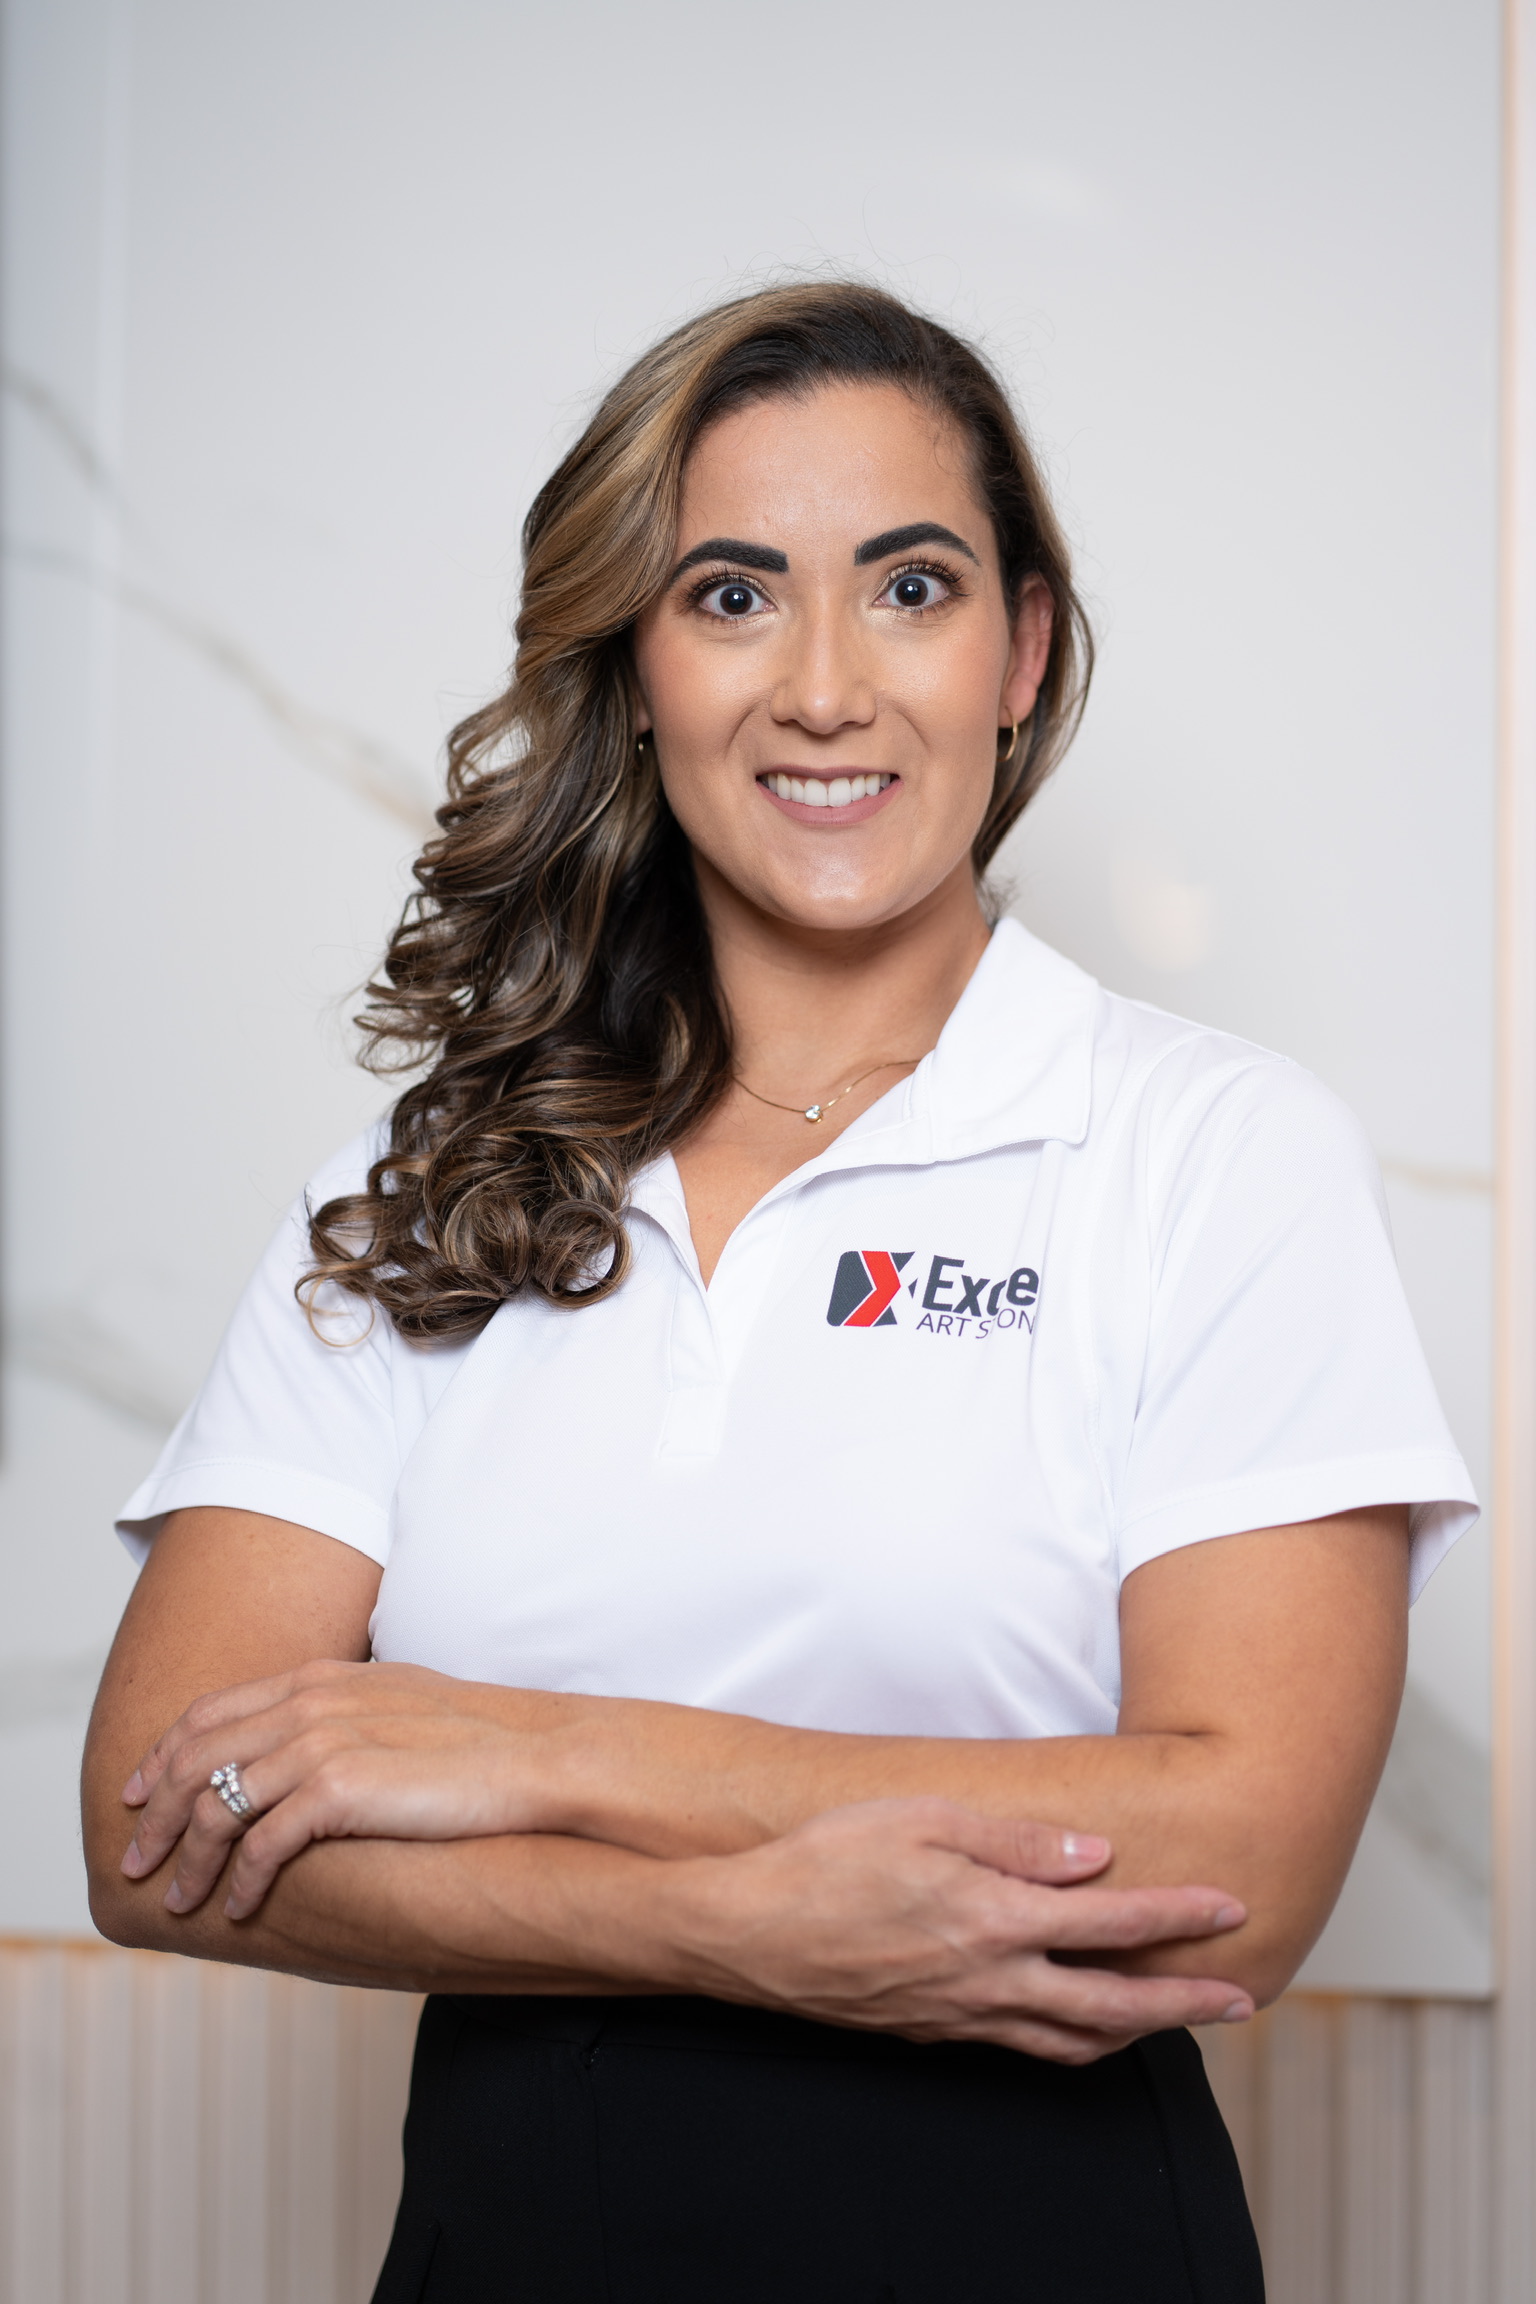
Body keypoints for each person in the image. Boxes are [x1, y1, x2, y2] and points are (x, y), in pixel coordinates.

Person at [82, 282, 1475, 2304]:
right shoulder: (435, 1186)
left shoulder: (1208, 1153)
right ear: (636, 668)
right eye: (732, 596)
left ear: (1022, 651)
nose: (826, 688)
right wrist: (731, 1933)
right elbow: (155, 1826)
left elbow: (1238, 1863)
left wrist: (533, 1751)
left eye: (910, 588)